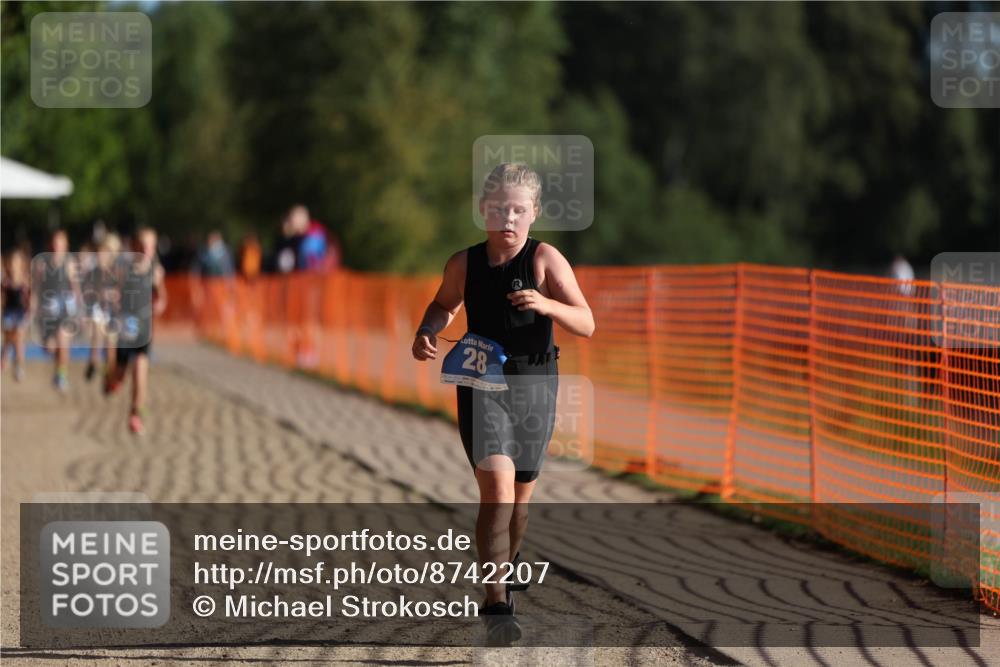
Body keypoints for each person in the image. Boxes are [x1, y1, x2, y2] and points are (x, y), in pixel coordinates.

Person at [411, 163, 595, 642]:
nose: (507, 218)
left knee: (521, 504)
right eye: (498, 209)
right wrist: (428, 329)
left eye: (518, 209)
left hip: (536, 383)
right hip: (481, 382)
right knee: (497, 491)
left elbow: (587, 322)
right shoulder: (463, 263)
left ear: (534, 212)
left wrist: (546, 304)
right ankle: (496, 602)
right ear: (483, 211)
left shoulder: (545, 260)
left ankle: (507, 568)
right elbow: (443, 303)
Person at [104, 228, 167, 435]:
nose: (147, 250)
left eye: (150, 246)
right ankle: (112, 379)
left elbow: (161, 296)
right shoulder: (125, 269)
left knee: (140, 373)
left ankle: (135, 415)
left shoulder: (156, 271)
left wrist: (159, 304)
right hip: (125, 329)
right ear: (134, 247)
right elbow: (113, 291)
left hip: (144, 331)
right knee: (120, 375)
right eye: (142, 246)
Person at [32, 229, 81, 392]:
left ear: (65, 244)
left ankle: (61, 375)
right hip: (47, 311)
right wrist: (34, 306)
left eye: (60, 242)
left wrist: (80, 308)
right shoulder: (42, 264)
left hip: (66, 309)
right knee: (51, 347)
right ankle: (58, 366)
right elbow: (37, 288)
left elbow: (75, 287)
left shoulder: (70, 263)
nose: (57, 246)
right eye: (54, 242)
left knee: (63, 340)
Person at [2, 248, 30, 381]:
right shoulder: (5, 282)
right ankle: (5, 357)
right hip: (8, 313)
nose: (14, 267)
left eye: (17, 264)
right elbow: (2, 298)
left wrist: (30, 310)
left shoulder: (25, 281)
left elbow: (30, 297)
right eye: (12, 264)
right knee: (8, 339)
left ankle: (18, 366)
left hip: (20, 313)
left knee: (18, 339)